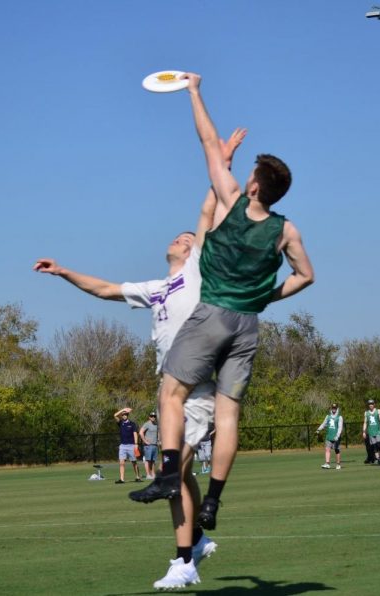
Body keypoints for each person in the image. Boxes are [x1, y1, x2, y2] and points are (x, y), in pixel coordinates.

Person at [34, 128, 247, 589]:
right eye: (179, 236)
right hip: (172, 387)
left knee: (176, 472)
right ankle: (198, 542)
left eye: (186, 237)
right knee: (179, 472)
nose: (180, 238)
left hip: (197, 389)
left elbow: (209, 209)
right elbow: (107, 289)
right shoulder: (156, 287)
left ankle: (182, 562)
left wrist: (223, 164)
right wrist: (65, 272)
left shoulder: (198, 268)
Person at [130, 71, 315, 537]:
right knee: (227, 413)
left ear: (253, 187)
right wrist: (266, 296)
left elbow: (208, 140)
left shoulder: (231, 202)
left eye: (249, 174)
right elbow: (306, 276)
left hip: (212, 313)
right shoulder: (286, 230)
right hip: (247, 325)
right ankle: (212, 502)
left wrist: (194, 90)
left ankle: (169, 475)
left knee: (170, 393)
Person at [112, 407, 142, 483]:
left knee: (134, 462)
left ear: (127, 415)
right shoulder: (121, 423)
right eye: (123, 415)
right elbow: (115, 415)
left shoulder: (132, 424)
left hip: (131, 445)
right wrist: (123, 409)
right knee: (121, 462)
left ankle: (138, 477)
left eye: (125, 414)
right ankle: (122, 479)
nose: (124, 416)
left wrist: (136, 444)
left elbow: (135, 434)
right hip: (122, 446)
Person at [316, 403, 344, 470]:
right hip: (329, 436)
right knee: (327, 449)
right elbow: (324, 424)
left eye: (335, 408)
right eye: (333, 408)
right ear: (331, 409)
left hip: (336, 436)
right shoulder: (328, 416)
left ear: (337, 409)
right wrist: (318, 429)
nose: (334, 409)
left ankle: (338, 464)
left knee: (337, 450)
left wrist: (337, 435)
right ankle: (327, 463)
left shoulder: (339, 417)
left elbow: (340, 427)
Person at [362, 399, 380, 465]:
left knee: (379, 445)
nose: (371, 405)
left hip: (378, 431)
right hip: (371, 432)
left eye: (372, 404)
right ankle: (378, 459)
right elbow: (365, 422)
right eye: (369, 404)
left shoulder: (378, 411)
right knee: (374, 446)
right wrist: (364, 431)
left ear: (374, 404)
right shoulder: (366, 413)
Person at [140, 412, 160, 479]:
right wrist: (145, 441)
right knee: (148, 460)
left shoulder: (156, 424)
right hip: (148, 446)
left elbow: (158, 433)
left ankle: (153, 474)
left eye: (154, 416)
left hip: (155, 445)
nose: (153, 417)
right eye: (151, 416)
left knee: (153, 461)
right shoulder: (147, 424)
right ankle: (148, 474)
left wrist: (158, 440)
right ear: (149, 417)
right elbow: (141, 432)